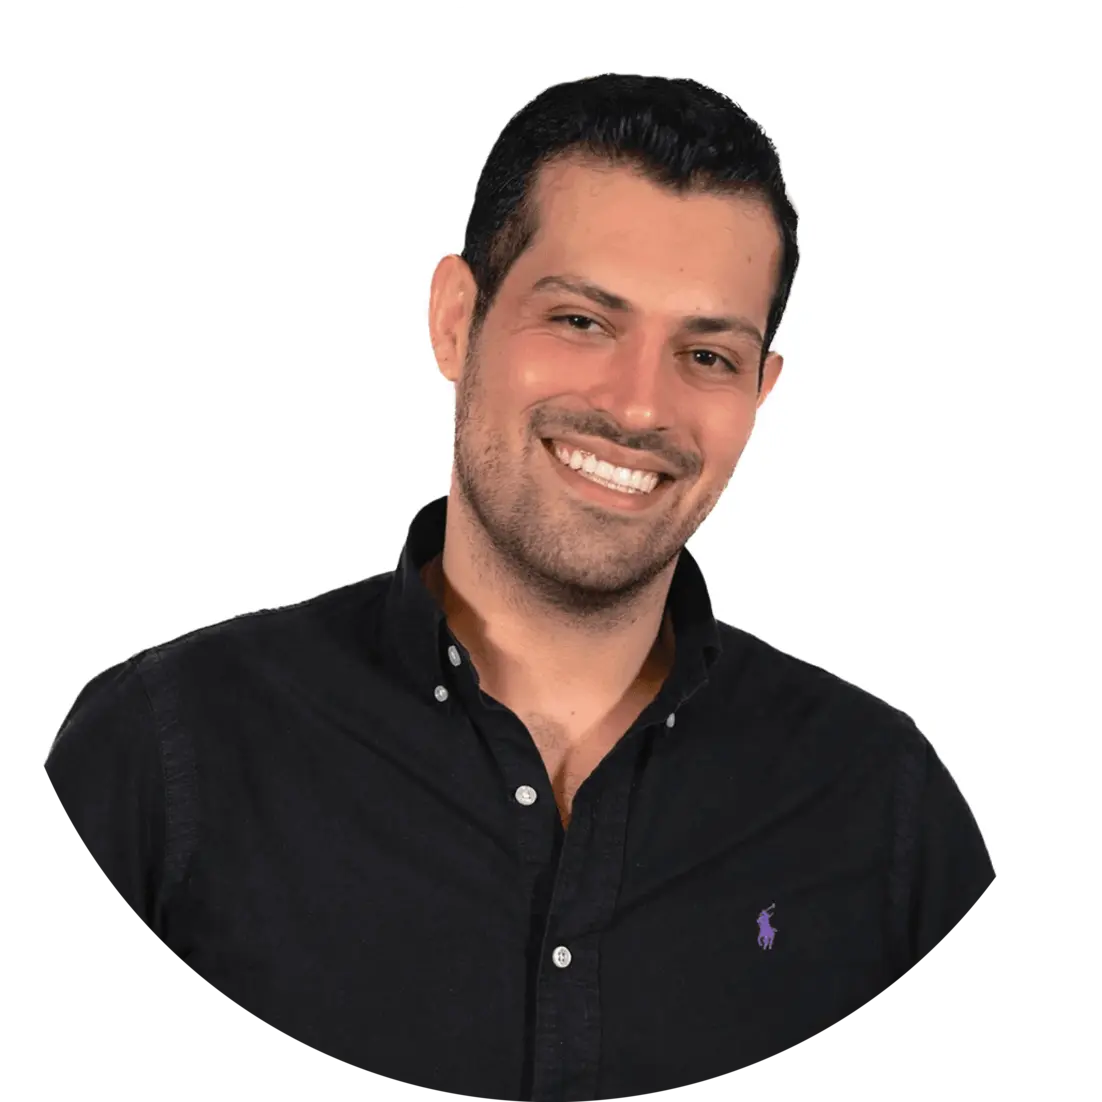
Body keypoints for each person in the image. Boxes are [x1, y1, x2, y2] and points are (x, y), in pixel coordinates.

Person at [41, 73, 998, 1099]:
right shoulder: (170, 750)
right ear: (458, 320)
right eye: (583, 321)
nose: (637, 406)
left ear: (758, 393)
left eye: (706, 352)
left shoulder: (877, 806)